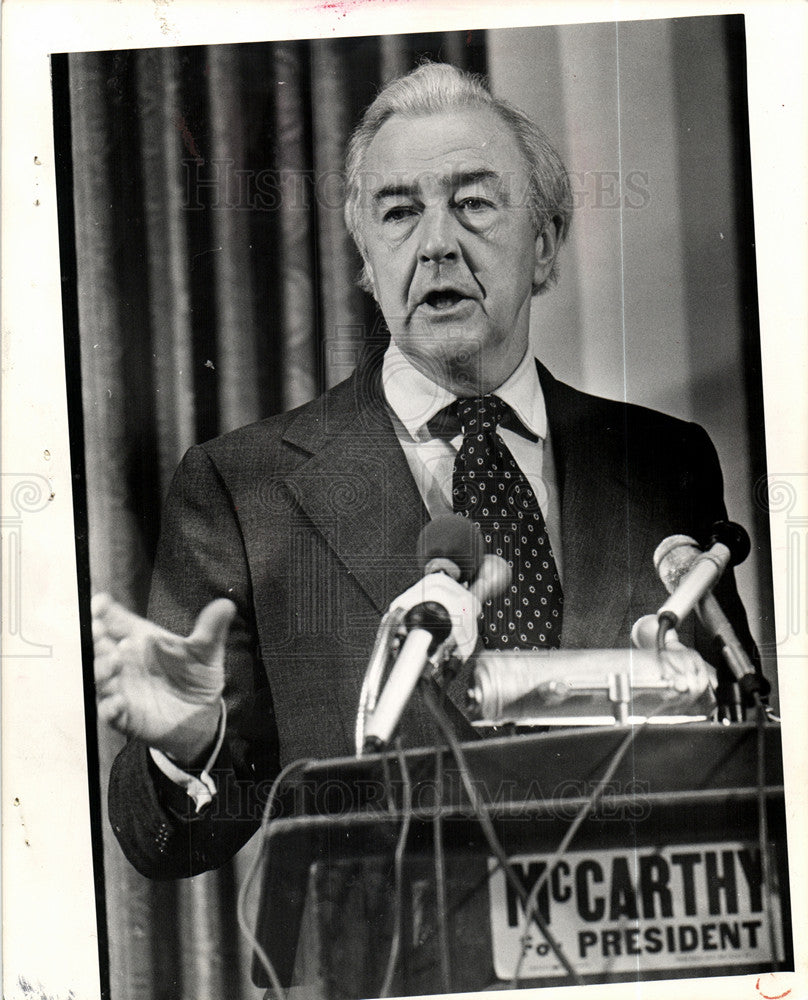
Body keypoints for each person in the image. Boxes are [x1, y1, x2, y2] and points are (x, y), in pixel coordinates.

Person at [93, 62, 761, 880]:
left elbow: (740, 733)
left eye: (474, 203)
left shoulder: (664, 461)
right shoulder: (245, 487)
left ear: (544, 248)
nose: (437, 242)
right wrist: (190, 744)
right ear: (368, 265)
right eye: (400, 212)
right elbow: (154, 838)